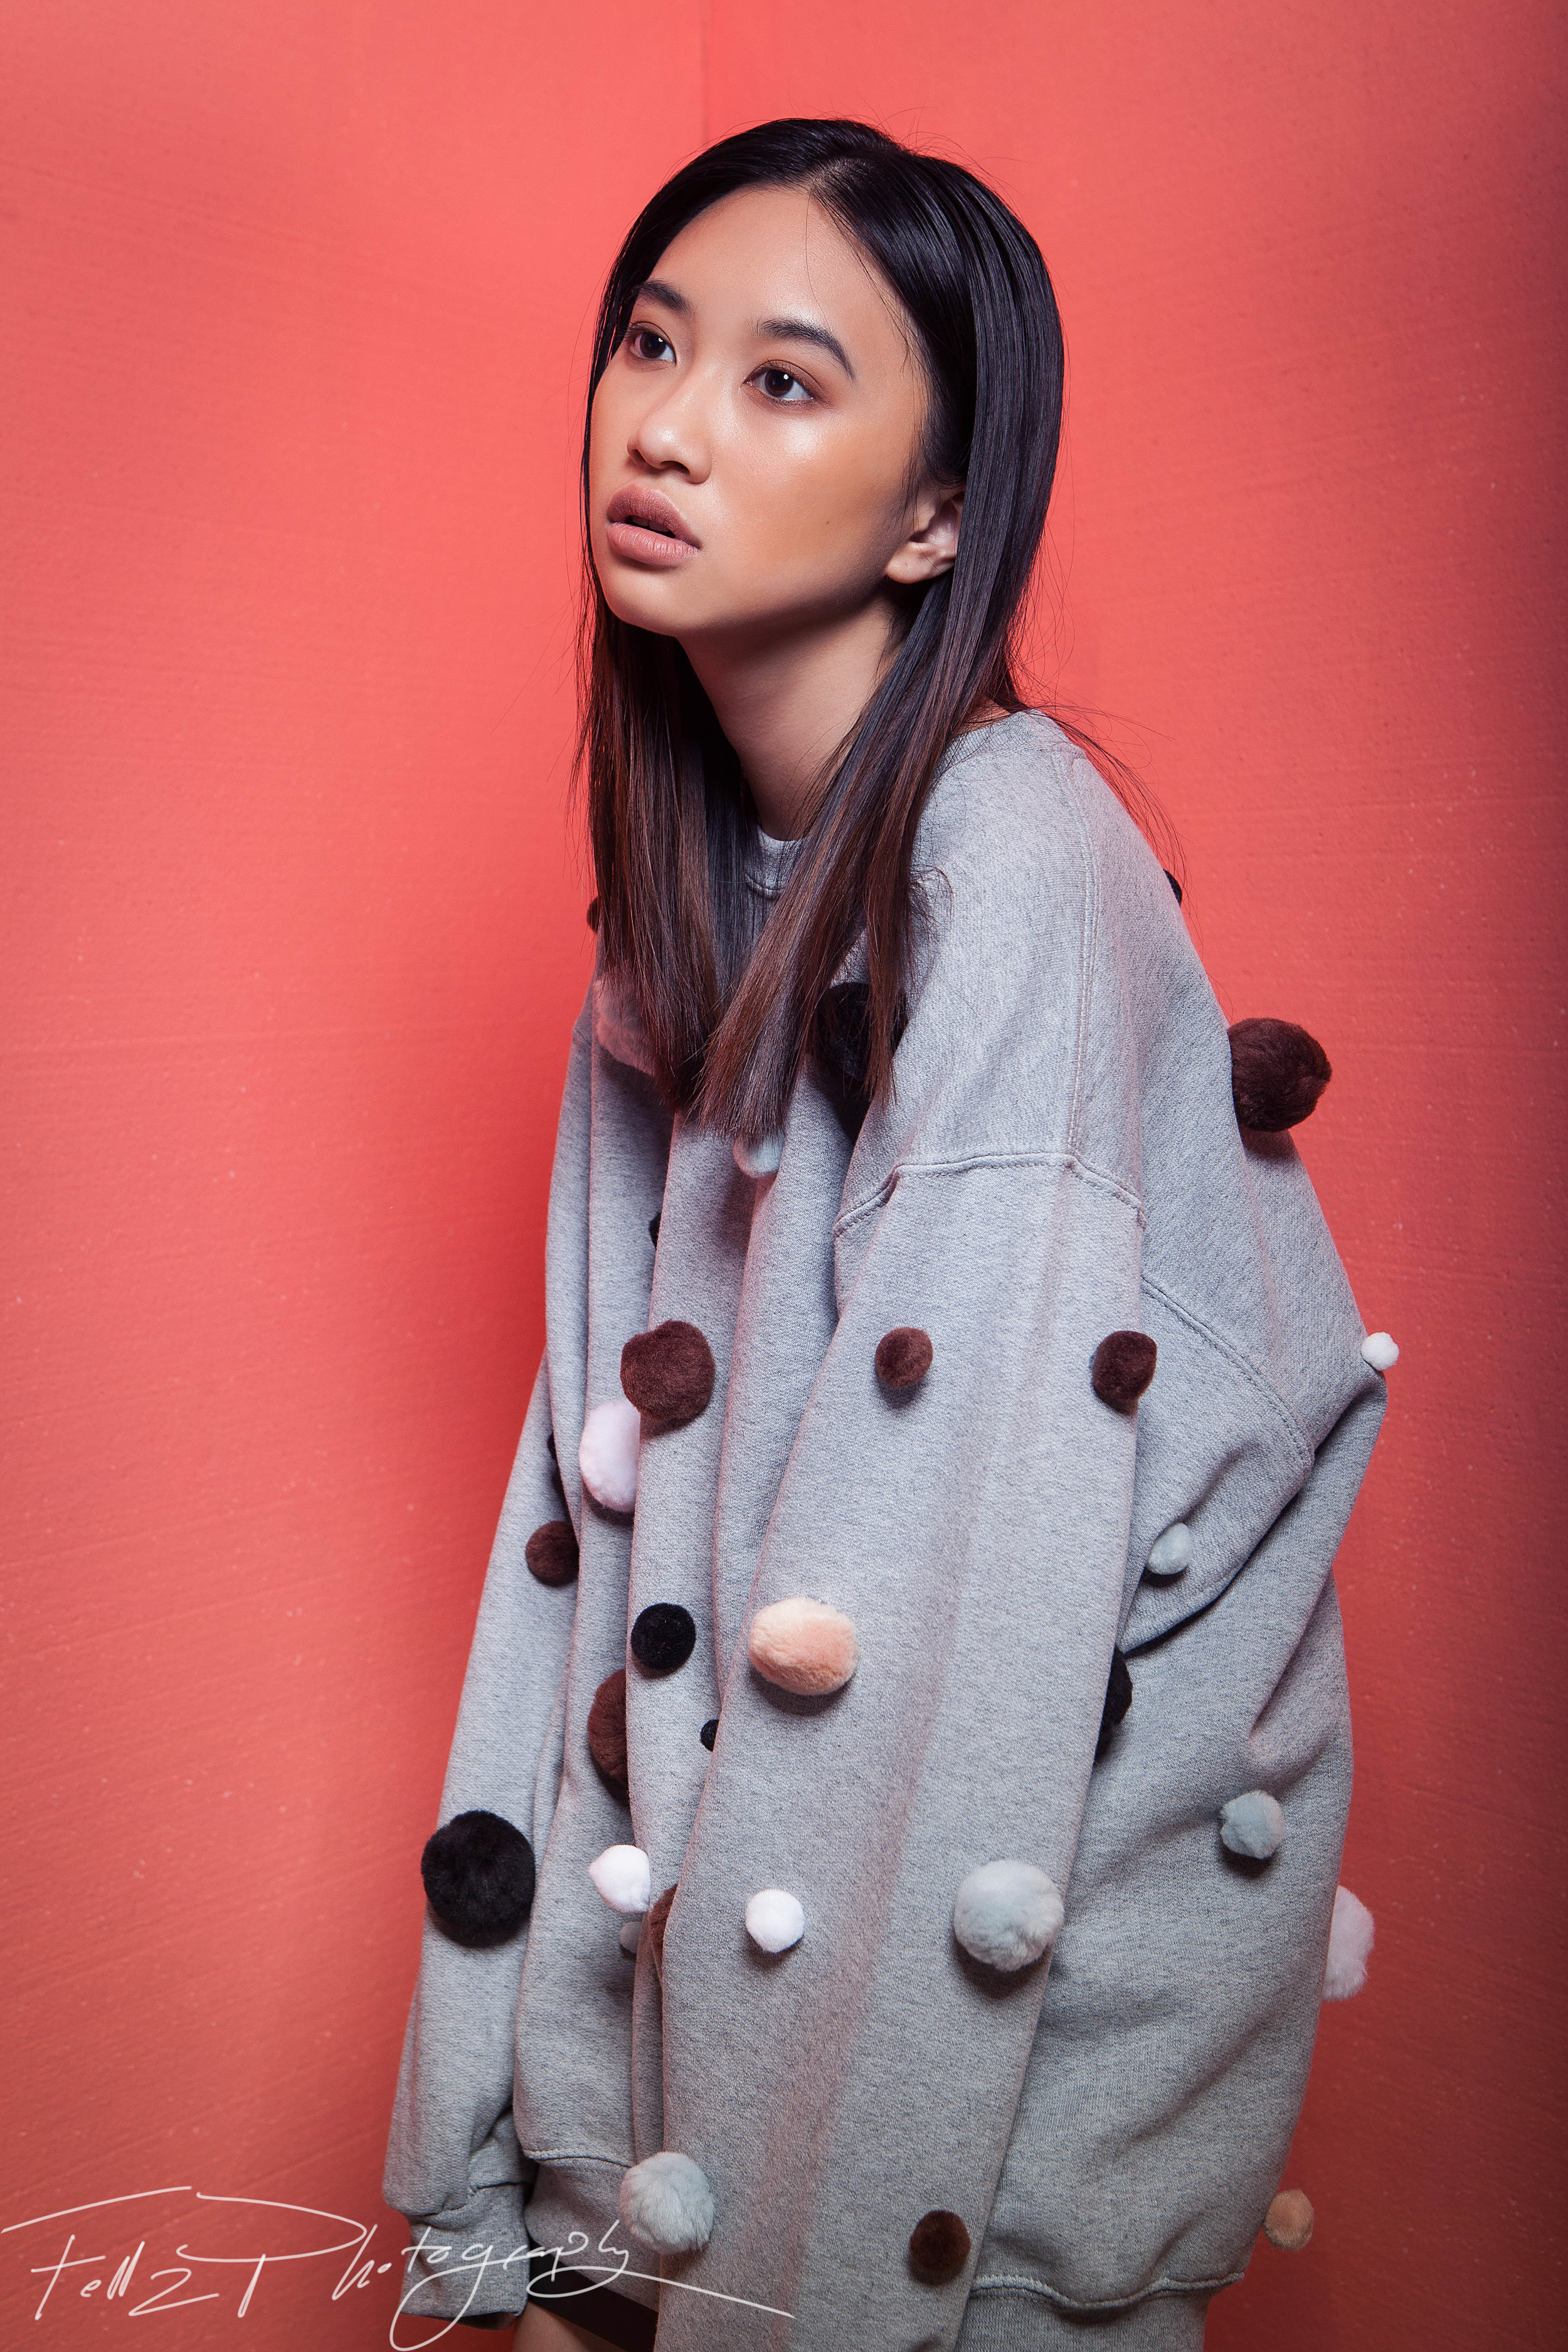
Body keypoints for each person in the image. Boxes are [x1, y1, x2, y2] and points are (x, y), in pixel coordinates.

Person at [382, 118, 1389, 2352]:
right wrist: (507, 2220)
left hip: (967, 2167)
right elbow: (578, 1565)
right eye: (651, 342)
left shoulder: (1011, 872)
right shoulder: (666, 947)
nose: (657, 424)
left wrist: (757, 2308)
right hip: (691, 2108)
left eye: (780, 380)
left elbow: (927, 1684)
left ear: (936, 517)